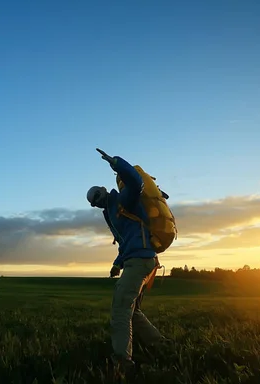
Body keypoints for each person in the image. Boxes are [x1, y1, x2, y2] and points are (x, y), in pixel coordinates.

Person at [86, 148, 169, 371]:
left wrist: (116, 163)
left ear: (104, 190)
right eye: (93, 202)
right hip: (138, 259)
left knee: (121, 308)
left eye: (97, 195)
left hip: (141, 260)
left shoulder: (124, 200)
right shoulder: (112, 213)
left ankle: (122, 362)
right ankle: (160, 345)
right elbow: (126, 242)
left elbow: (135, 181)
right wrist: (117, 264)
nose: (97, 201)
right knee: (133, 310)